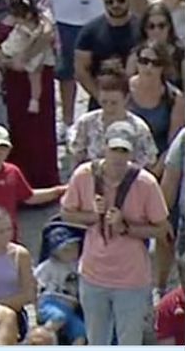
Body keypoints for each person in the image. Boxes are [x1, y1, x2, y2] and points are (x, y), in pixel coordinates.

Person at [60, 122, 170, 346]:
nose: (118, 157)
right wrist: (93, 215)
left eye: (124, 151)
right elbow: (66, 214)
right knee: (97, 339)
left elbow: (162, 229)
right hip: (93, 274)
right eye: (114, 150)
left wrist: (126, 228)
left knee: (129, 341)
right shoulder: (84, 175)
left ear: (131, 153)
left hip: (131, 278)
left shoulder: (145, 183)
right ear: (104, 148)